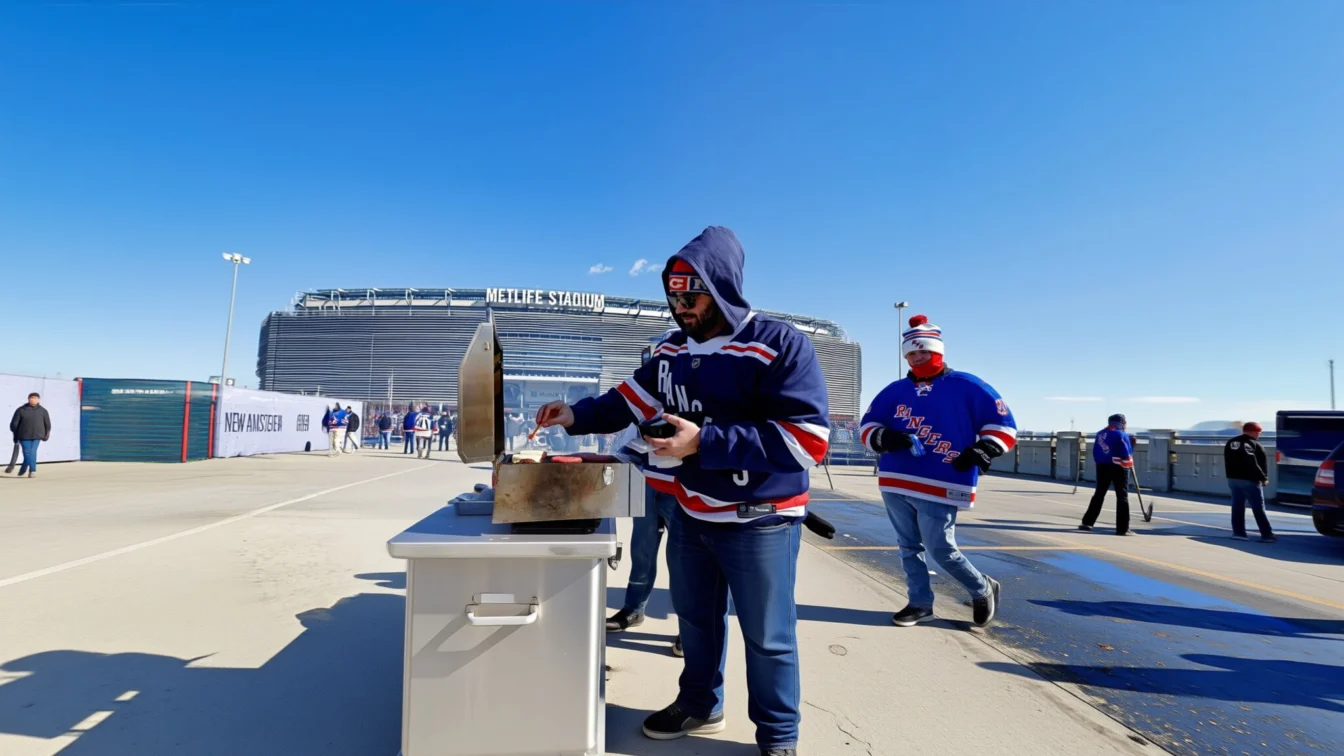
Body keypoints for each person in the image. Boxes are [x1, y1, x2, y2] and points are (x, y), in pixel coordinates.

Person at [536, 226, 829, 756]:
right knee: (695, 620)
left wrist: (704, 443)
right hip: (693, 513)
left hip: (759, 517)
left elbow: (807, 442)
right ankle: (700, 703)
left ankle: (779, 736)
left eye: (690, 296)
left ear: (720, 287)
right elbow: (626, 401)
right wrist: (574, 414)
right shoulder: (672, 350)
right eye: (672, 296)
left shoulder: (779, 344)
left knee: (768, 638)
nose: (680, 307)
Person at [859, 314, 1016, 629]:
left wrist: (984, 448)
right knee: (908, 547)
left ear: (937, 351)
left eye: (922, 352)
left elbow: (1003, 426)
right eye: (911, 353)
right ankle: (920, 603)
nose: (916, 357)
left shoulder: (968, 385)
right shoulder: (894, 390)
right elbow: (868, 426)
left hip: (941, 480)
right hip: (895, 478)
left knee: (941, 548)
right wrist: (885, 437)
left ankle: (981, 587)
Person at [605, 331, 684, 658]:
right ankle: (634, 609)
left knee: (685, 564)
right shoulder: (650, 397)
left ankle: (690, 629)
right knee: (642, 552)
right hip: (650, 484)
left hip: (684, 490)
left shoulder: (694, 393)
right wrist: (614, 458)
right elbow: (638, 439)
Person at [1080, 413, 1135, 535]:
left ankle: (1087, 522)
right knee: (1122, 496)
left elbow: (1096, 452)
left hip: (1102, 466)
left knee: (1099, 494)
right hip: (1118, 468)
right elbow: (1127, 458)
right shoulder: (1121, 435)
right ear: (1122, 423)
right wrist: (1132, 449)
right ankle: (1122, 528)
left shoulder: (1100, 434)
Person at [1225, 421, 1275, 542]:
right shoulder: (1252, 444)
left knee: (1237, 506)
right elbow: (1252, 462)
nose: (1259, 435)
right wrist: (1263, 477)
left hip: (1233, 479)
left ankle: (1239, 532)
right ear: (1253, 432)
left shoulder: (1231, 442)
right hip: (1249, 479)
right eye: (1259, 432)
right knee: (1258, 507)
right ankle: (1266, 534)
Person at [8, 393, 51, 478]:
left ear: (38, 400)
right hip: (24, 435)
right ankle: (24, 468)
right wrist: (15, 433)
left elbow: (47, 424)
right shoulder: (21, 410)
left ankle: (32, 471)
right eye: (31, 398)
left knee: (33, 452)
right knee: (27, 452)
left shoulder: (43, 411)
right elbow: (14, 424)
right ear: (28, 399)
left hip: (38, 435)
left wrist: (47, 433)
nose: (33, 400)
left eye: (35, 398)